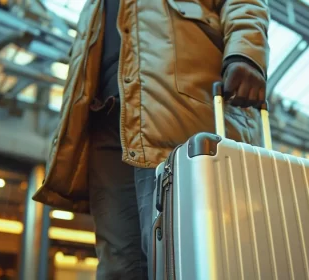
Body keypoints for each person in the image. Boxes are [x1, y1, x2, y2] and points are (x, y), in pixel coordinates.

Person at [33, 0, 269, 279]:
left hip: (175, 107)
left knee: (176, 255)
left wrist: (246, 52)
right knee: (118, 265)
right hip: (105, 124)